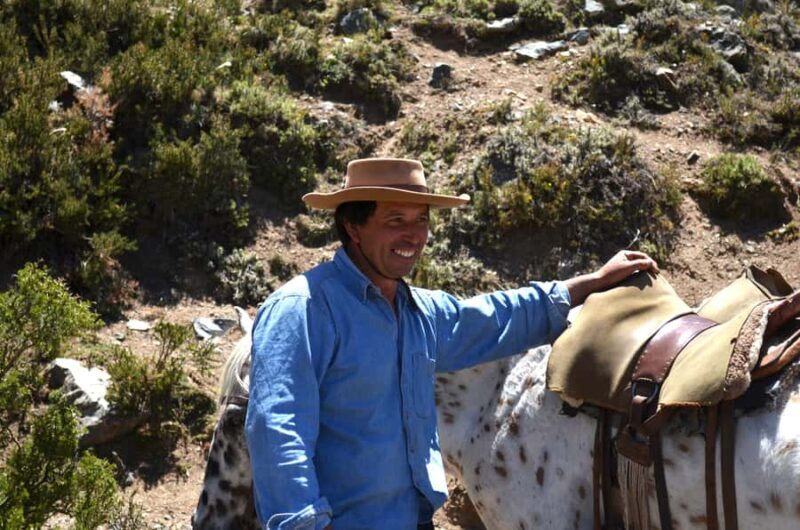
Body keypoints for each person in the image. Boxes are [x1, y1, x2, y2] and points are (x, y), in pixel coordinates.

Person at [245, 158, 659, 529]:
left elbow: (499, 317)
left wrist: (589, 284)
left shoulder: (420, 311)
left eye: (421, 220)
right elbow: (277, 430)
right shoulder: (303, 308)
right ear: (353, 227)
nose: (413, 235)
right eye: (395, 221)